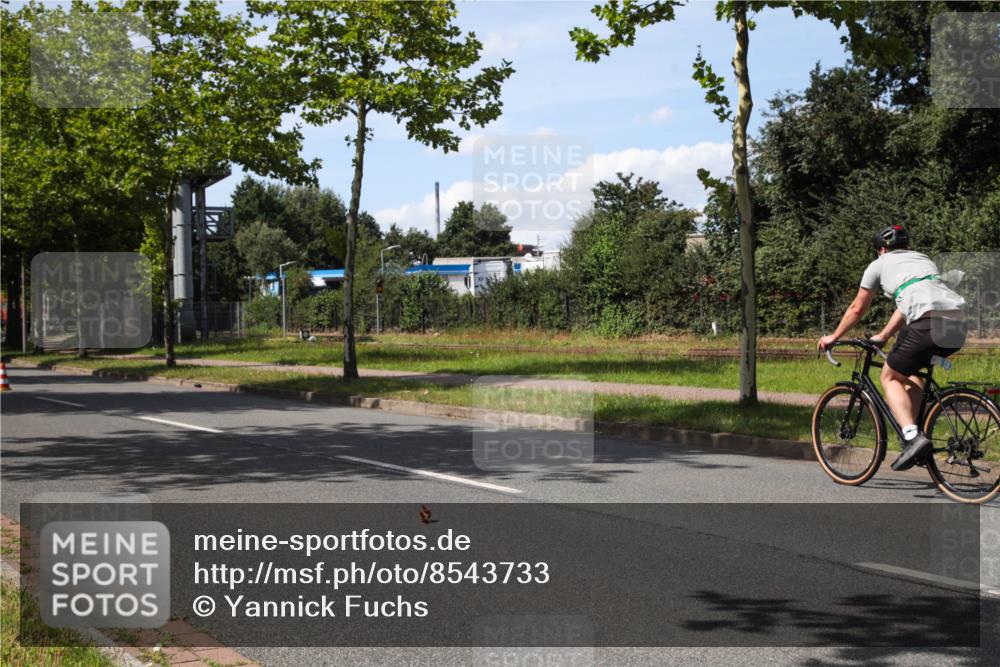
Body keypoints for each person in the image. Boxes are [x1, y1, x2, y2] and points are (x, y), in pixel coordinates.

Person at [817, 226, 967, 471]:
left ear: (882, 250)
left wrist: (833, 337)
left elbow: (857, 308)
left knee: (888, 376)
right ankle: (917, 433)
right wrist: (885, 335)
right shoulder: (923, 260)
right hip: (958, 325)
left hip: (927, 325)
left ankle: (912, 437)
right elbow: (908, 301)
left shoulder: (879, 264)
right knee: (912, 375)